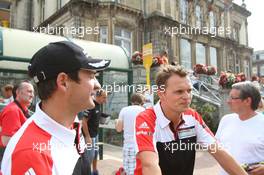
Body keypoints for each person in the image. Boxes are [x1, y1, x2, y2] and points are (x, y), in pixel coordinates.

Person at [1, 41, 110, 175]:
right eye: (91, 76)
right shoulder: (29, 155)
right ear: (63, 82)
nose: (97, 85)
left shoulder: (72, 123)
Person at [134, 65, 247, 175]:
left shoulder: (192, 116)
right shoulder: (146, 119)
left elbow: (219, 151)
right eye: (179, 91)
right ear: (161, 94)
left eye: (189, 90)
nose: (187, 96)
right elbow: (149, 165)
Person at [216, 82, 264, 175]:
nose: (228, 101)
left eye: (232, 98)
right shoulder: (226, 120)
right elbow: (216, 148)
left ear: (247, 101)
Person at [0, 81, 33, 163]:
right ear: (18, 92)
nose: (32, 95)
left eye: (33, 92)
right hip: (9, 158)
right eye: (29, 91)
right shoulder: (13, 110)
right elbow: (7, 141)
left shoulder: (20, 109)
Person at [115, 93, 145, 175]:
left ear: (131, 101)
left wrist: (116, 122)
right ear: (142, 102)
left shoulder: (124, 110)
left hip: (128, 146)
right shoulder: (144, 111)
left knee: (128, 171)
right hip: (141, 147)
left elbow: (118, 129)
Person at [82, 89, 108, 175]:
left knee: (95, 154)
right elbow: (84, 122)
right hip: (89, 136)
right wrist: (87, 136)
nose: (105, 100)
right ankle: (87, 173)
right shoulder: (90, 105)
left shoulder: (98, 105)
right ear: (97, 96)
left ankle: (95, 171)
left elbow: (96, 115)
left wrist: (103, 116)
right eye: (104, 98)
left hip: (95, 134)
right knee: (89, 157)